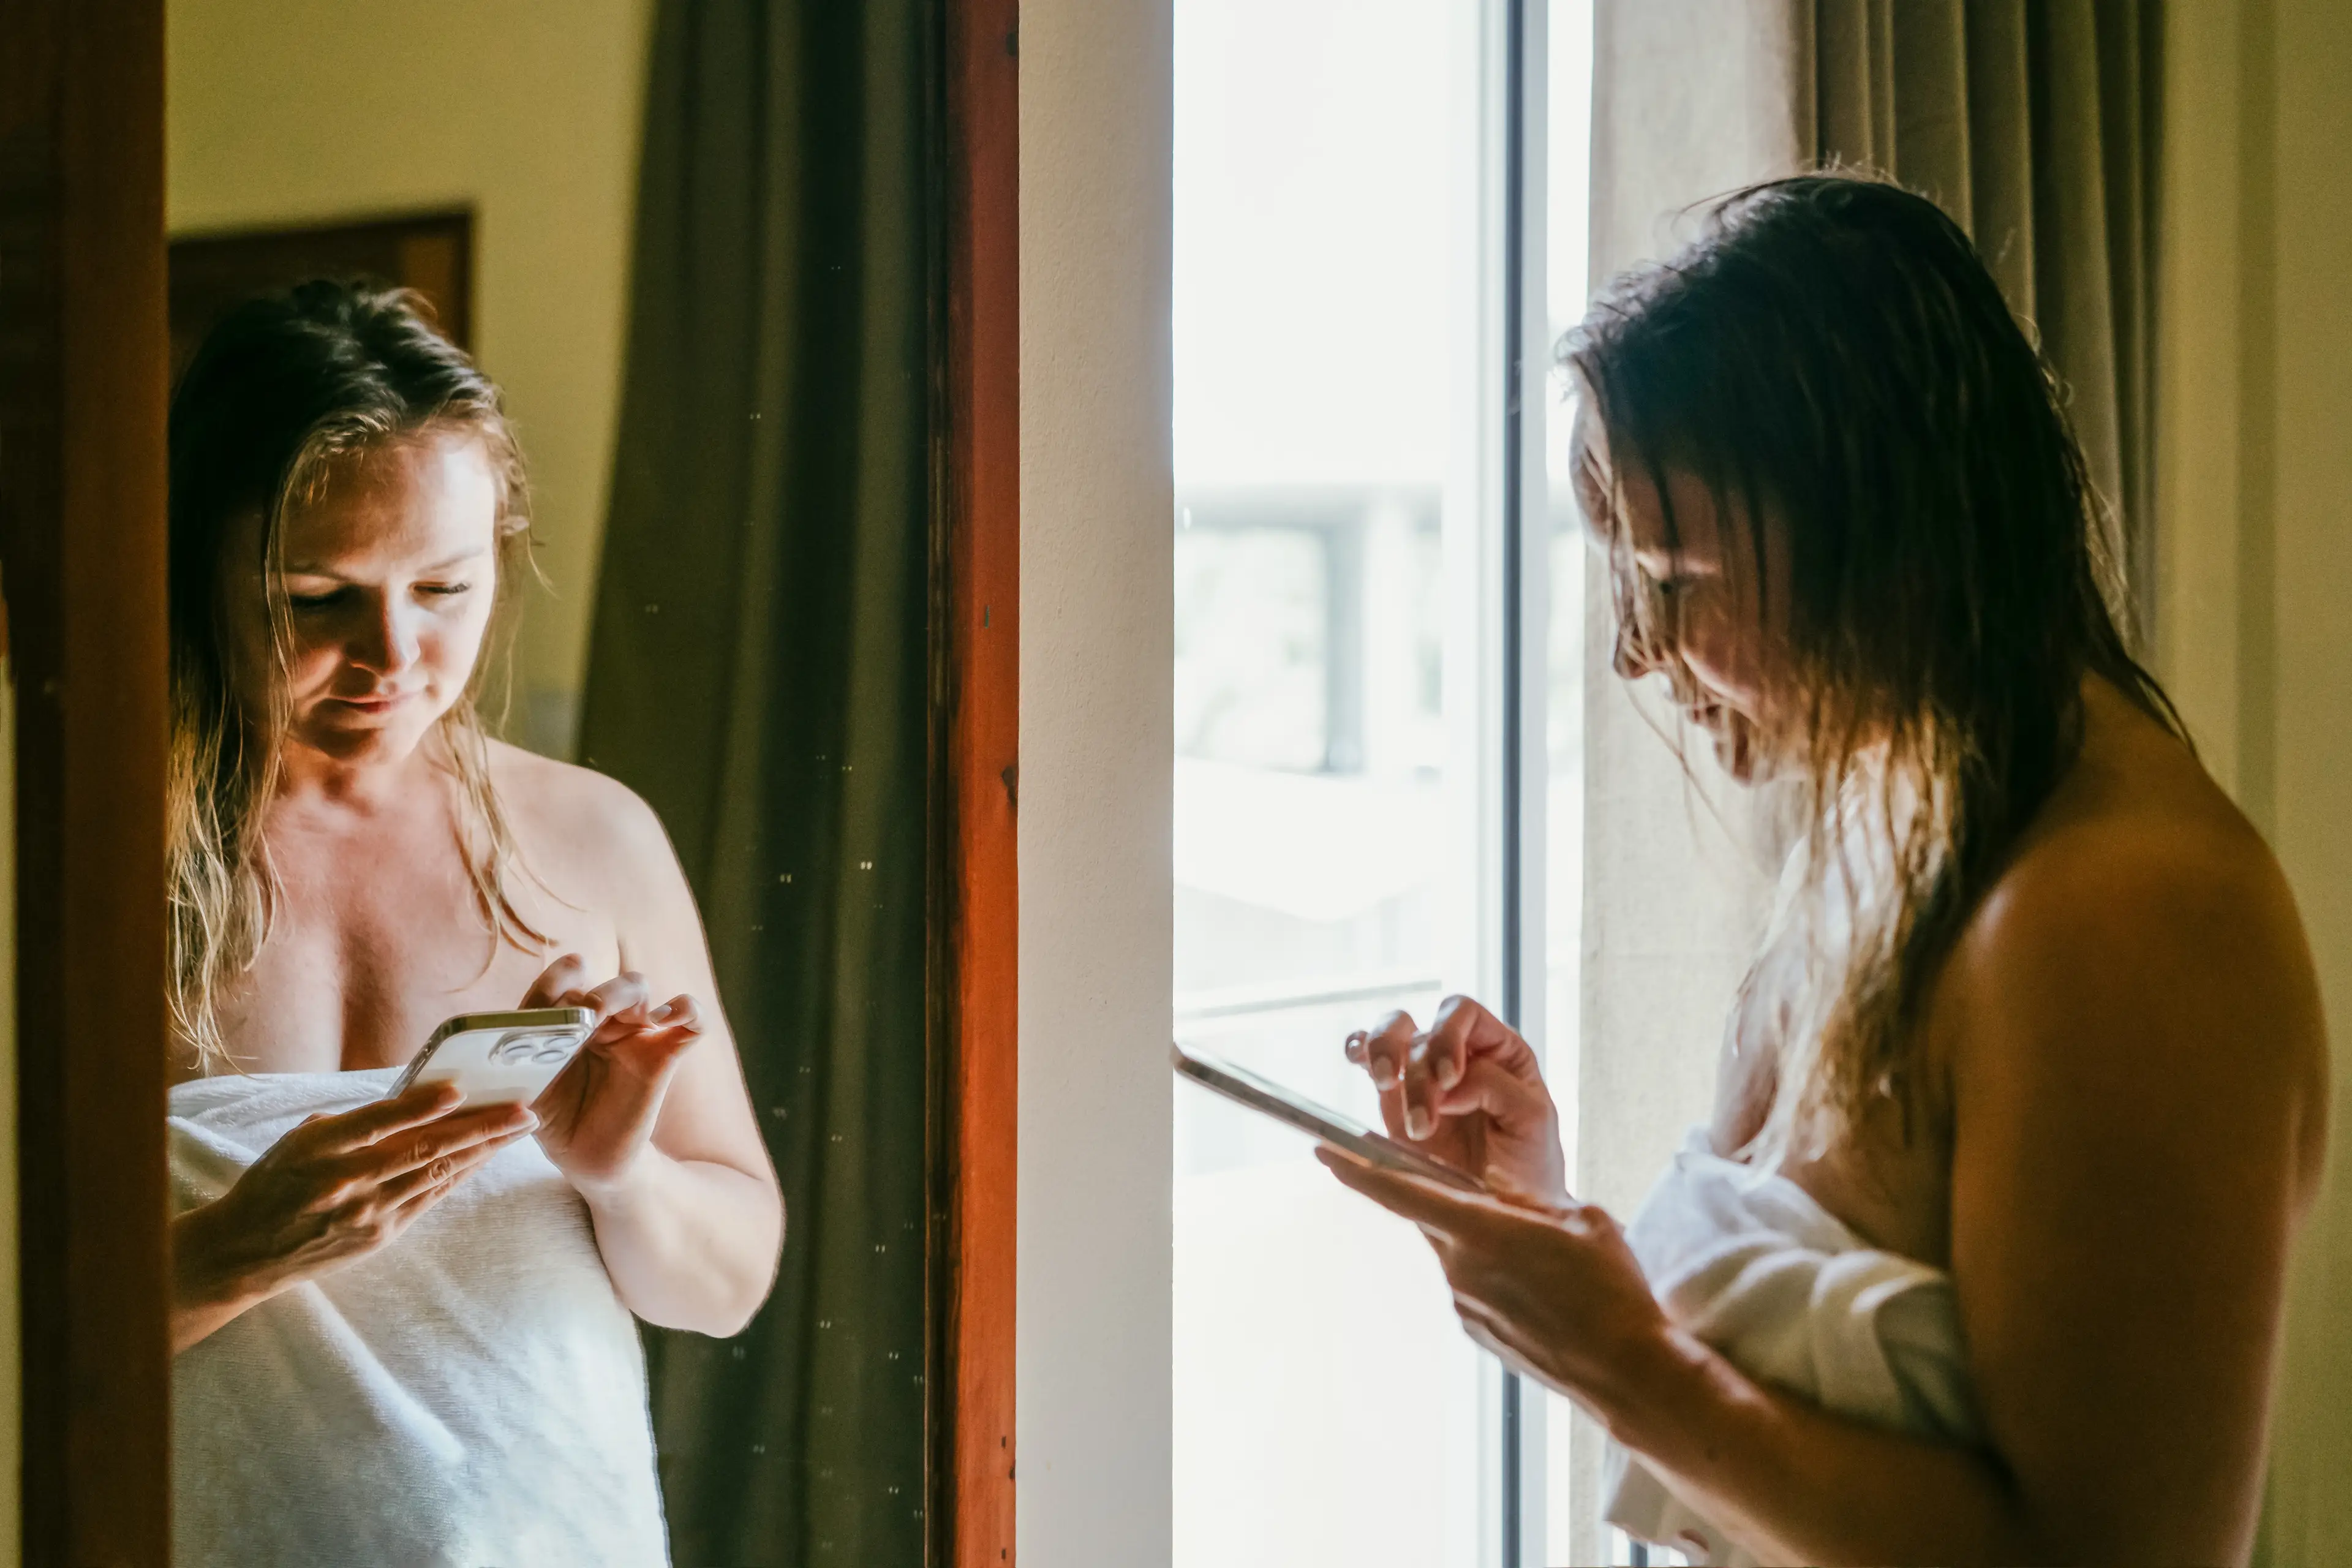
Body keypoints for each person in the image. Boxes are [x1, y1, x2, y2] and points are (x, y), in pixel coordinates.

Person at [1327, 175, 2328, 1566]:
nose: (1633, 652)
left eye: (1672, 578)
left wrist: (1620, 1359)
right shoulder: (1886, 825)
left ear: (1883, 528)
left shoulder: (2126, 917)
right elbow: (1818, 1389)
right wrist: (1543, 1217)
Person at [164, 282, 782, 1566]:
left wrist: (622, 1173)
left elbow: (724, 1288)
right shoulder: (71, 854)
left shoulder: (594, 839)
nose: (393, 654)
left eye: (444, 585)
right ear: (193, 564)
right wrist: (221, 1256)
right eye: (314, 595)